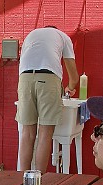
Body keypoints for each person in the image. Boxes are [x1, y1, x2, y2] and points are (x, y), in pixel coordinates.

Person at [16, 26, 79, 172]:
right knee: (45, 133)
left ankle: (22, 180)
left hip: (24, 79)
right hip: (48, 79)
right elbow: (74, 76)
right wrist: (70, 86)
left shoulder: (31, 34)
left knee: (27, 132)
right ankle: (38, 181)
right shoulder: (63, 36)